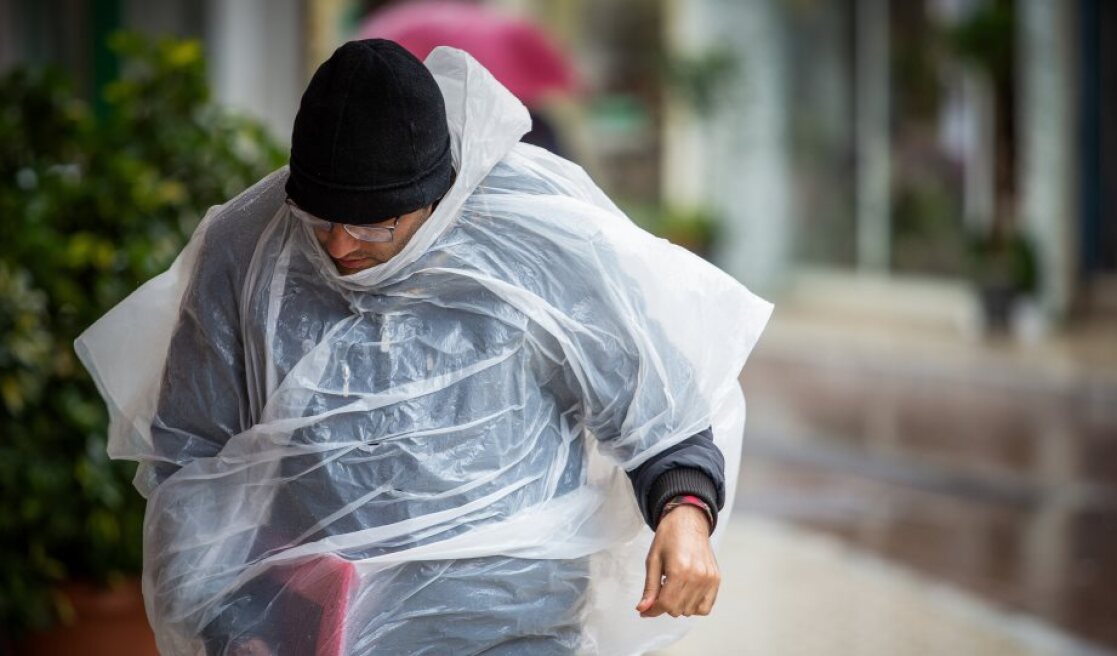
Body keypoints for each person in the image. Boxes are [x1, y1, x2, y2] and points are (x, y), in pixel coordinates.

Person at [76, 40, 770, 655]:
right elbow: (190, 458)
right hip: (315, 633)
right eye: (318, 220)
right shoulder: (250, 250)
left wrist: (684, 513)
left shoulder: (537, 242)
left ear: (437, 197)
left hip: (513, 631)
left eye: (377, 226)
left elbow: (658, 411)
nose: (342, 246)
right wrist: (232, 622)